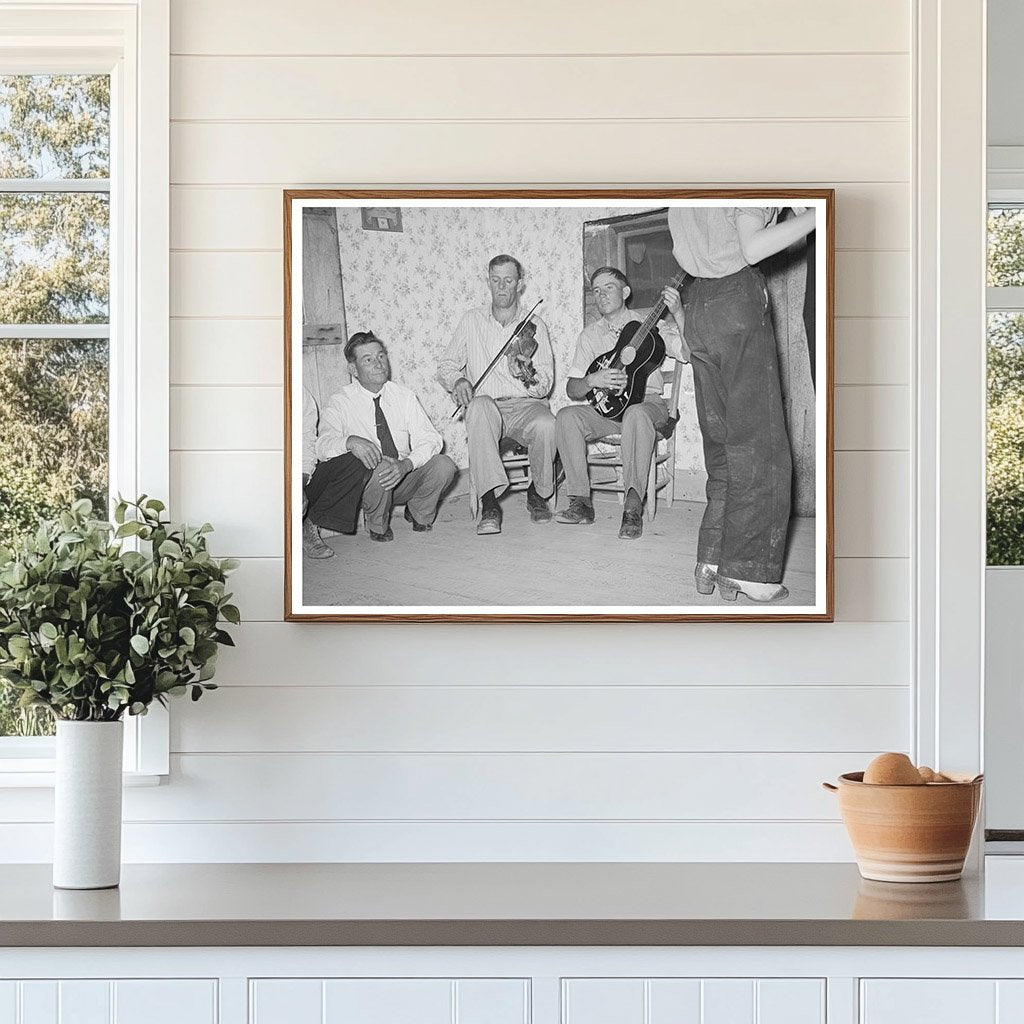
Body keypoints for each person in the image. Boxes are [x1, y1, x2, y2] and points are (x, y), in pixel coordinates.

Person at [667, 205, 816, 602]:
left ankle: (712, 560)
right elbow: (752, 248)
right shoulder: (748, 165)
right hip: (735, 297)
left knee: (723, 448)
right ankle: (751, 572)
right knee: (759, 444)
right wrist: (822, 213)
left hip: (696, 305)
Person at [554, 267, 689, 539]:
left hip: (646, 405)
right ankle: (580, 502)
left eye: (609, 287)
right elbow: (572, 388)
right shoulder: (589, 335)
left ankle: (632, 506)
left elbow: (686, 353)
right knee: (567, 416)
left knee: (635, 415)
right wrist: (593, 379)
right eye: (596, 290)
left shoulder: (651, 325)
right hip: (610, 411)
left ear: (626, 292)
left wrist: (679, 313)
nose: (601, 294)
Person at [437, 254, 556, 536]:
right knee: (477, 407)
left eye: (509, 280)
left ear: (520, 284)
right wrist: (459, 380)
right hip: (488, 406)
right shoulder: (471, 320)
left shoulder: (535, 324)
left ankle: (536, 493)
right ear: (488, 281)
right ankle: (489, 503)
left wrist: (527, 376)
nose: (502, 287)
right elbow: (446, 366)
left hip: (526, 405)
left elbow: (545, 386)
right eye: (496, 280)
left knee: (548, 424)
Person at [305, 331, 456, 547]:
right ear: (353, 369)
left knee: (444, 465)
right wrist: (350, 441)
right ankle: (377, 523)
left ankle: (418, 512)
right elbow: (322, 445)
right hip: (371, 485)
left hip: (404, 476)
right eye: (368, 359)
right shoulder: (340, 401)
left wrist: (407, 464)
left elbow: (431, 439)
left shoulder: (404, 397)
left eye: (381, 356)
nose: (379, 364)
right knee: (378, 462)